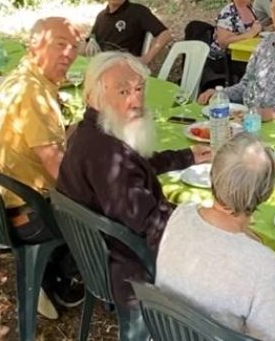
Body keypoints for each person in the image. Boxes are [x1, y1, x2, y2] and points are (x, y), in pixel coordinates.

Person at [56, 51, 212, 340]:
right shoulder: (107, 153)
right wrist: (206, 221)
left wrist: (184, 156)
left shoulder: (90, 133)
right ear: (94, 96)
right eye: (123, 91)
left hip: (96, 254)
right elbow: (152, 224)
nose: (136, 100)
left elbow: (132, 168)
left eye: (139, 88)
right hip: (129, 266)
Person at [156, 133, 275, 341]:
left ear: (212, 176)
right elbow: (274, 337)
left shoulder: (181, 214)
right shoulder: (263, 264)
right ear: (266, 192)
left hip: (173, 333)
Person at [0, 17, 85, 312]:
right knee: (117, 203)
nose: (69, 53)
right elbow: (56, 166)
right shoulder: (32, 93)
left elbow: (51, 144)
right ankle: (70, 280)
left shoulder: (24, 79)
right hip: (32, 214)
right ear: (34, 44)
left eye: (74, 47)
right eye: (60, 44)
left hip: (9, 202)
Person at [84, 0, 172, 65]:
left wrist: (145, 59)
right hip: (101, 66)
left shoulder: (138, 11)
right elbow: (90, 42)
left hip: (125, 68)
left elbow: (165, 35)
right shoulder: (101, 16)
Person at [205, 0, 261, 85]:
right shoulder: (228, 12)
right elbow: (223, 42)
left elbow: (255, 30)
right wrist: (250, 34)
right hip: (226, 58)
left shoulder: (250, 8)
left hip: (246, 52)